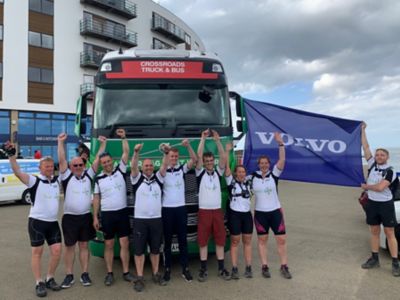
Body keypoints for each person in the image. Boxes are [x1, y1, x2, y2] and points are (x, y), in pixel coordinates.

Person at [4, 142, 62, 297]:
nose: (50, 169)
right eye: (46, 167)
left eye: (51, 166)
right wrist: (11, 155)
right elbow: (17, 172)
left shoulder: (57, 181)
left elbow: (64, 164)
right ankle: (39, 282)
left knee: (57, 251)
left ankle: (50, 278)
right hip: (37, 222)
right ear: (40, 168)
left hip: (53, 222)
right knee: (38, 252)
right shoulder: (34, 181)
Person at [57, 133, 106, 288]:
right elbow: (62, 159)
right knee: (70, 247)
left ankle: (85, 274)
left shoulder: (88, 175)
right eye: (75, 165)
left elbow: (97, 159)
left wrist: (102, 145)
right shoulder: (66, 176)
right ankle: (69, 275)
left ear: (84, 165)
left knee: (84, 246)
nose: (78, 167)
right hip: (70, 218)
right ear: (70, 168)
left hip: (85, 217)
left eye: (80, 165)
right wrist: (60, 142)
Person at [92, 128, 134, 286]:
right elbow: (96, 198)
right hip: (107, 216)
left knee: (124, 243)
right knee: (109, 244)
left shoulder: (120, 170)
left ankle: (126, 272)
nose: (107, 164)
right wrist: (95, 217)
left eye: (109, 161)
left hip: (122, 213)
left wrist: (124, 138)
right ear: (101, 165)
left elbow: (126, 153)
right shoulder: (99, 179)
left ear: (112, 161)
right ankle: (109, 273)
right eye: (104, 163)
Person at [360, 122, 399, 276]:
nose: (378, 157)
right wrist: (363, 130)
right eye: (377, 155)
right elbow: (366, 147)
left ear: (387, 157)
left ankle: (395, 262)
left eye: (382, 155)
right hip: (372, 204)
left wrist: (366, 187)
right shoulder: (372, 165)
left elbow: (380, 187)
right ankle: (374, 258)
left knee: (390, 232)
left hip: (386, 205)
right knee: (374, 231)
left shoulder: (391, 171)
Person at [251, 132, 292, 279]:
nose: (263, 165)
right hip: (260, 214)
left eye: (266, 163)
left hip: (275, 212)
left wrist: (280, 143)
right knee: (262, 240)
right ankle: (264, 266)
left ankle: (284, 266)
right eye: (261, 163)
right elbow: (239, 178)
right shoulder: (252, 177)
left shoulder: (274, 174)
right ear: (258, 165)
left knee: (281, 240)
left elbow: (282, 159)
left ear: (269, 164)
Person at [130, 143, 168, 292]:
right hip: (140, 221)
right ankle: (139, 277)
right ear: (142, 167)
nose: (148, 168)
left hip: (156, 220)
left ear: (153, 167)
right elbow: (133, 166)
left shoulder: (159, 178)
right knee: (139, 251)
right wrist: (136, 152)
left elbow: (164, 166)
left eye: (150, 166)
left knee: (155, 249)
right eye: (145, 166)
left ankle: (155, 273)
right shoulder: (136, 178)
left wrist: (165, 153)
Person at [196, 129, 230, 282]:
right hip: (204, 211)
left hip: (217, 211)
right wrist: (202, 139)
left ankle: (221, 268)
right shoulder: (200, 172)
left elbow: (223, 157)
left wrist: (217, 141)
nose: (209, 163)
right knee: (203, 240)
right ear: (204, 163)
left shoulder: (218, 172)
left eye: (211, 161)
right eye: (207, 161)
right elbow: (198, 156)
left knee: (220, 240)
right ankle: (203, 269)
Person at [161, 139, 197, 283]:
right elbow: (163, 166)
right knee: (168, 241)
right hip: (167, 210)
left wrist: (188, 146)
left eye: (176, 157)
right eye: (171, 156)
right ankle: (167, 269)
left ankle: (185, 268)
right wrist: (165, 153)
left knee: (183, 240)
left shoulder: (182, 169)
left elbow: (194, 159)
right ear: (168, 157)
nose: (174, 159)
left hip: (181, 209)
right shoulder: (163, 171)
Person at [224, 143, 253, 279]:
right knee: (235, 241)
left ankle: (248, 267)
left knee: (247, 241)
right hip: (235, 215)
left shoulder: (248, 182)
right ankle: (234, 268)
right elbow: (227, 168)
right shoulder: (231, 182)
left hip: (247, 215)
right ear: (236, 173)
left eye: (243, 172)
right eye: (239, 172)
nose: (241, 174)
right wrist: (228, 152)